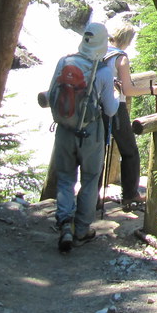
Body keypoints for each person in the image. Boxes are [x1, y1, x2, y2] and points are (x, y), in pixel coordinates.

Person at [50, 22, 119, 253]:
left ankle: (64, 225)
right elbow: (109, 110)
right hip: (91, 133)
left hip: (63, 130)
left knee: (65, 178)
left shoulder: (64, 61)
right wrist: (116, 96)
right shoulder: (103, 71)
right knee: (90, 179)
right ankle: (81, 230)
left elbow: (51, 95)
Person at [102, 22, 150, 211]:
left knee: (97, 152)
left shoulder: (99, 52)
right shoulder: (120, 58)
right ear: (127, 39)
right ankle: (130, 194)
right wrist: (150, 90)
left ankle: (90, 196)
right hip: (115, 107)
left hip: (95, 107)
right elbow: (128, 89)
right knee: (129, 150)